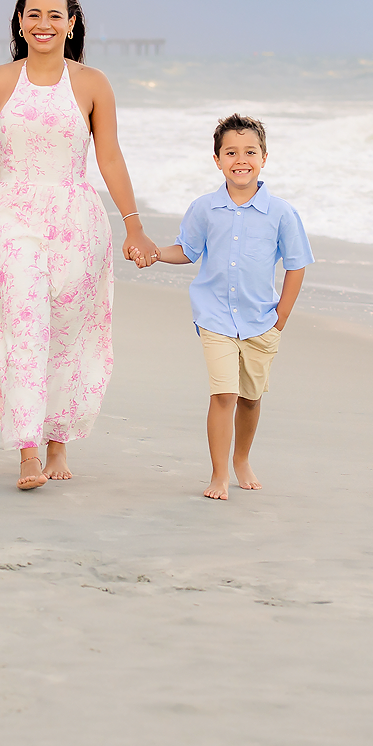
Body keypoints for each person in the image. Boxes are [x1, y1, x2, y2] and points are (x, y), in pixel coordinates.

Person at [0, 0, 158, 491]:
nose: (43, 24)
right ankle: (27, 450)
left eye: (55, 15)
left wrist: (134, 226)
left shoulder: (93, 84)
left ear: (71, 23)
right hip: (12, 215)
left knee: (66, 335)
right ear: (19, 22)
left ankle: (58, 442)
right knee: (26, 324)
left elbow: (110, 158)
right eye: (33, 14)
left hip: (77, 221)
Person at [152, 114, 312, 499]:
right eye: (231, 152)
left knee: (250, 398)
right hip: (214, 317)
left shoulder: (282, 213)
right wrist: (155, 253)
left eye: (250, 152)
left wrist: (281, 318)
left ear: (264, 157)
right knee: (224, 394)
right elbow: (187, 251)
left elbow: (296, 264)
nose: (241, 159)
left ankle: (242, 457)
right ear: (217, 160)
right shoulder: (205, 209)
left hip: (262, 321)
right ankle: (219, 473)